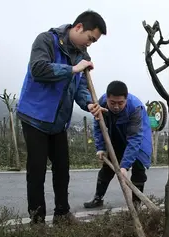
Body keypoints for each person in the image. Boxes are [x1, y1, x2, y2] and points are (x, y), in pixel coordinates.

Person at [16, 10, 107, 225]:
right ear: (78, 28)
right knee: (37, 172)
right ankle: (37, 221)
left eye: (94, 42)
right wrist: (73, 69)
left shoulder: (83, 56)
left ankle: (62, 215)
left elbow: (80, 89)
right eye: (90, 38)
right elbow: (38, 70)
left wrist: (89, 103)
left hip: (58, 123)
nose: (90, 44)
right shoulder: (46, 40)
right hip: (35, 118)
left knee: (62, 170)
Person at [83, 80, 153, 210]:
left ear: (126, 99)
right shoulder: (101, 103)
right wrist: (101, 148)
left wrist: (125, 166)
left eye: (120, 103)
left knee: (138, 168)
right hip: (115, 134)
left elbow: (134, 138)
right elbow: (99, 126)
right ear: (107, 98)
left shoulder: (135, 107)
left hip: (138, 137)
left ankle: (136, 204)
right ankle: (98, 198)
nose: (116, 107)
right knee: (107, 167)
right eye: (112, 103)